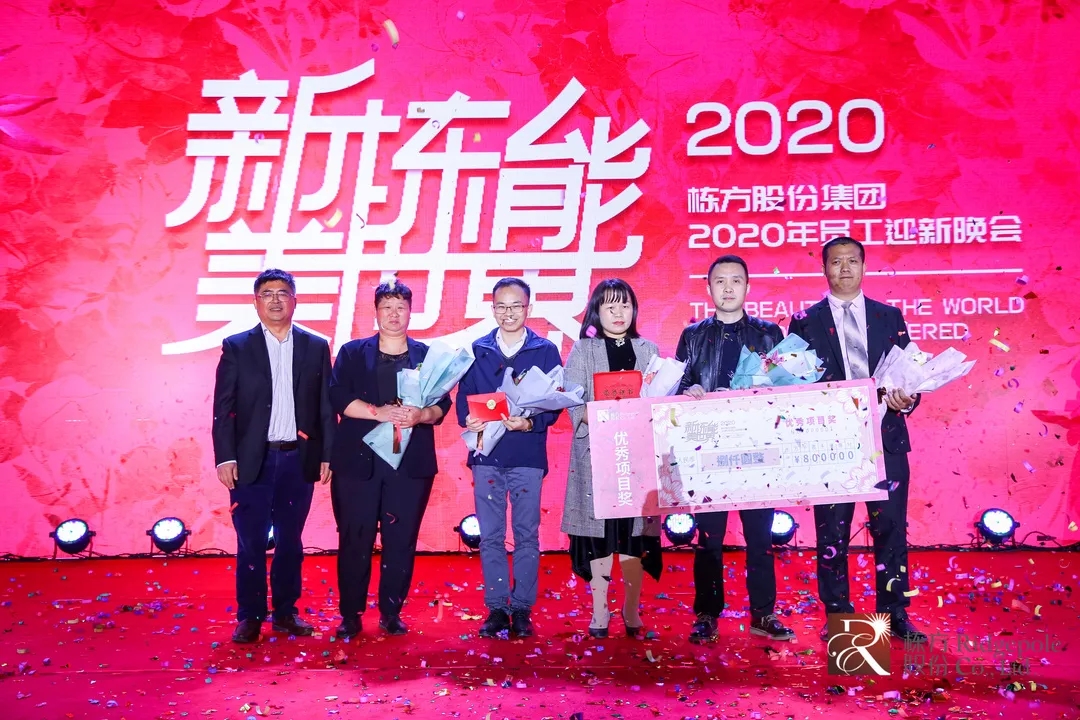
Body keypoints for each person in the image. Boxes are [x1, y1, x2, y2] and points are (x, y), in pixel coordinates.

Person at [787, 237, 927, 643]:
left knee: (891, 529)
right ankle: (838, 615)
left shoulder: (889, 316)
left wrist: (908, 398)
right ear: (824, 269)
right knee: (832, 532)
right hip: (832, 444)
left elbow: (910, 374)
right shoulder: (804, 321)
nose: (845, 268)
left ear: (865, 266)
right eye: (836, 262)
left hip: (886, 438)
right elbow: (795, 383)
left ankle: (895, 612)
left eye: (852, 261)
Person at [675, 255, 796, 644]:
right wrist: (688, 391)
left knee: (760, 538)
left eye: (736, 281)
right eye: (720, 281)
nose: (728, 288)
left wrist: (762, 392)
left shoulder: (768, 334)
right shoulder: (692, 336)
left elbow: (788, 389)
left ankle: (764, 613)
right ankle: (707, 614)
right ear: (708, 288)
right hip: (709, 451)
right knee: (709, 539)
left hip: (756, 448)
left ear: (748, 286)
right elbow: (676, 386)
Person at [212, 269, 335, 644]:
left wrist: (327, 454)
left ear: (295, 301)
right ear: (256, 302)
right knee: (250, 541)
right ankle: (250, 615)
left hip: (298, 459)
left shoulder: (315, 347)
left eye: (283, 293)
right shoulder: (237, 347)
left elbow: (325, 407)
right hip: (252, 461)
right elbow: (223, 408)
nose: (275, 300)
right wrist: (225, 457)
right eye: (267, 294)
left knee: (290, 541)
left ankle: (285, 613)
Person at [328, 280, 452, 639]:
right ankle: (351, 614)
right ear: (376, 312)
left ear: (411, 312)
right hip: (359, 463)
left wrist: (422, 415)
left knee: (401, 539)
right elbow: (338, 397)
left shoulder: (427, 356)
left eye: (401, 307)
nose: (394, 314)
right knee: (355, 538)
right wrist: (377, 412)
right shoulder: (353, 353)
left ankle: (391, 611)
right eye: (387, 307)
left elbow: (442, 405)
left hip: (409, 465)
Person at [456, 278, 564, 639]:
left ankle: (521, 609)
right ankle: (497, 607)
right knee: (490, 536)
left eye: (516, 305)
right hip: (486, 456)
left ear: (528, 308)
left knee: (526, 535)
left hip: (527, 456)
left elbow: (555, 405)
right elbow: (464, 400)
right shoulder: (478, 350)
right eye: (501, 306)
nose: (509, 313)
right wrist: (469, 420)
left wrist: (529, 422)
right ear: (492, 309)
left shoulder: (545, 351)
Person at [561, 279, 663, 639]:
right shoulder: (583, 350)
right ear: (597, 312)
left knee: (634, 538)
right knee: (601, 536)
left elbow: (659, 399)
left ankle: (631, 610)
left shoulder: (649, 350)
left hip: (637, 460)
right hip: (597, 457)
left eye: (625, 305)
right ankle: (600, 609)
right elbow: (573, 401)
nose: (619, 313)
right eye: (610, 306)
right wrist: (607, 416)